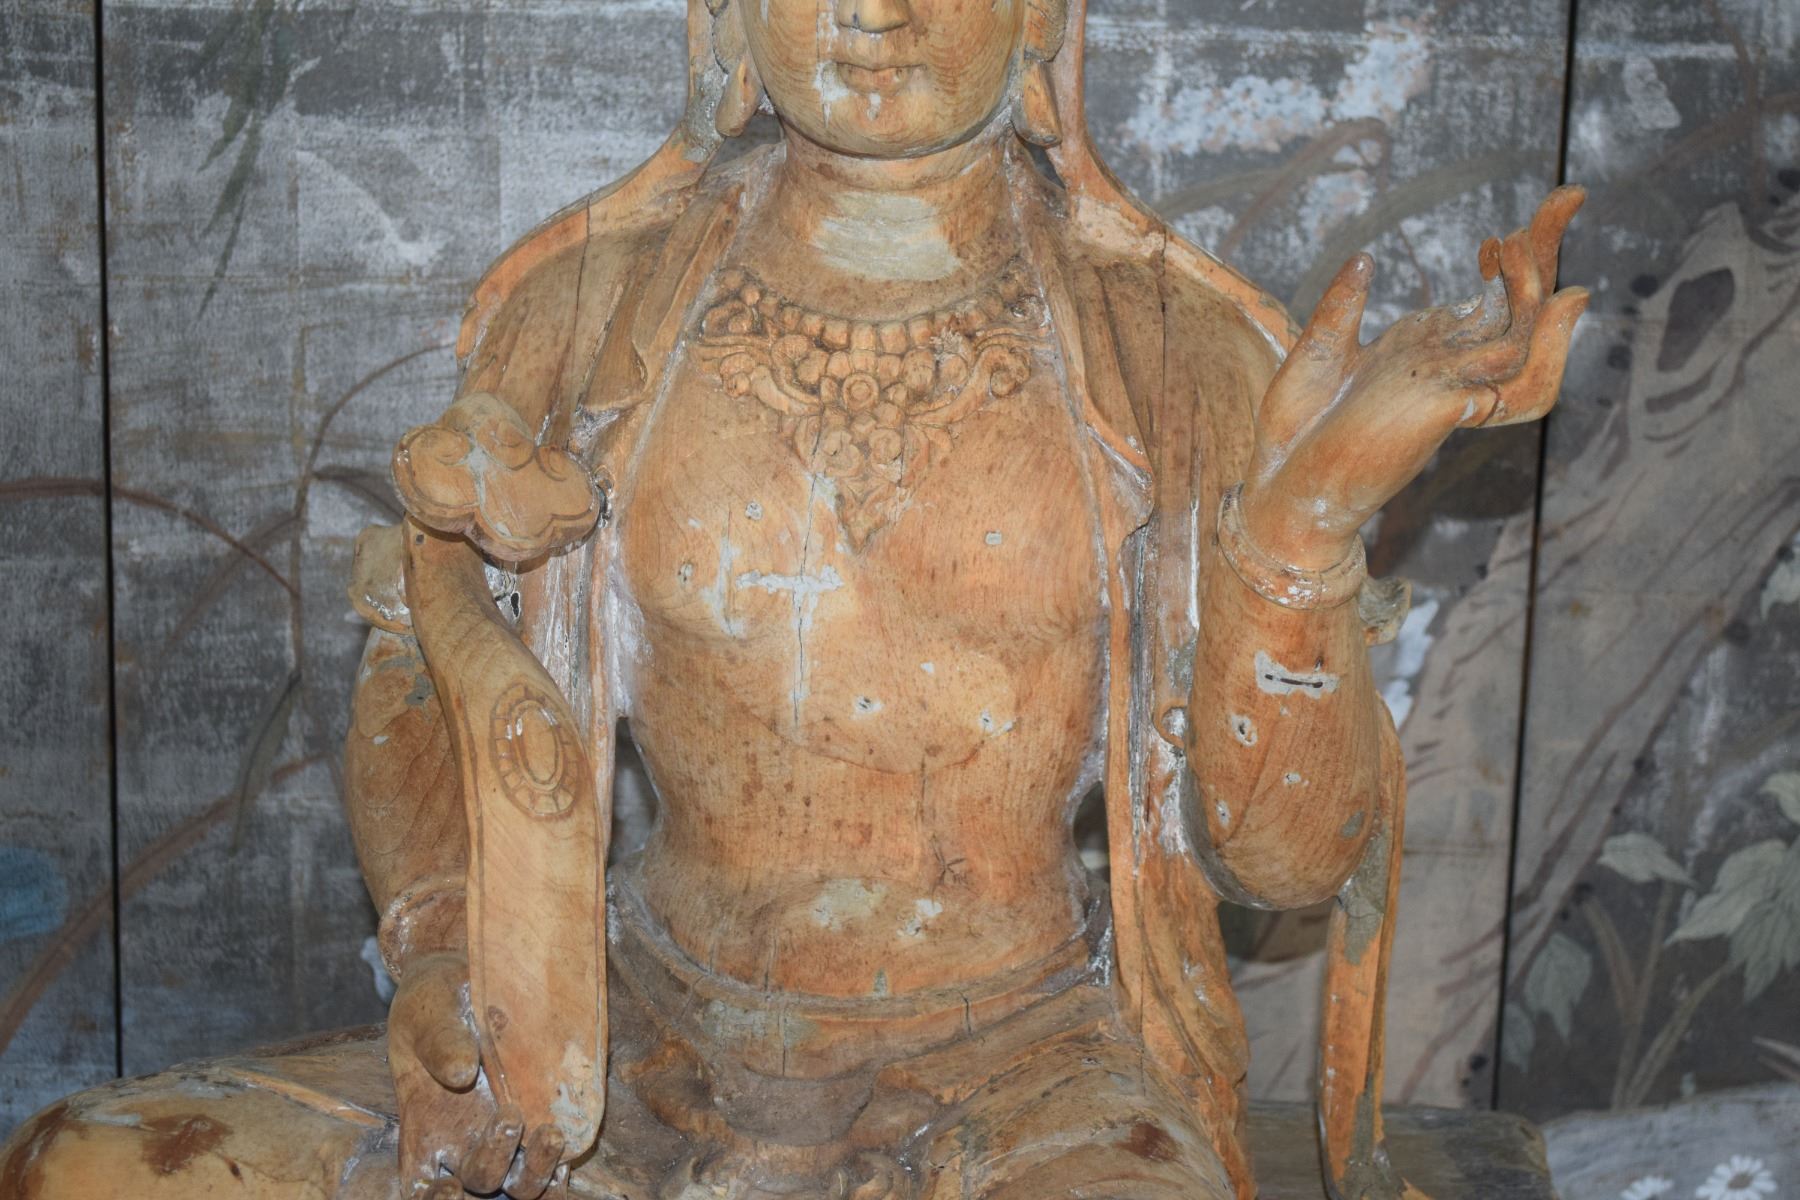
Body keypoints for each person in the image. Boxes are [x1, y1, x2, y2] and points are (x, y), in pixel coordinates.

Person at [0, 0, 1585, 1196]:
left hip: (1022, 1064)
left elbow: (1286, 859)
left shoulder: (1173, 354)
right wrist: (438, 957)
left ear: (1046, 18)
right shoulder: (588, 308)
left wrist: (1300, 537)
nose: (872, 12)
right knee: (85, 1164)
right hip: (625, 1037)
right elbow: (425, 669)